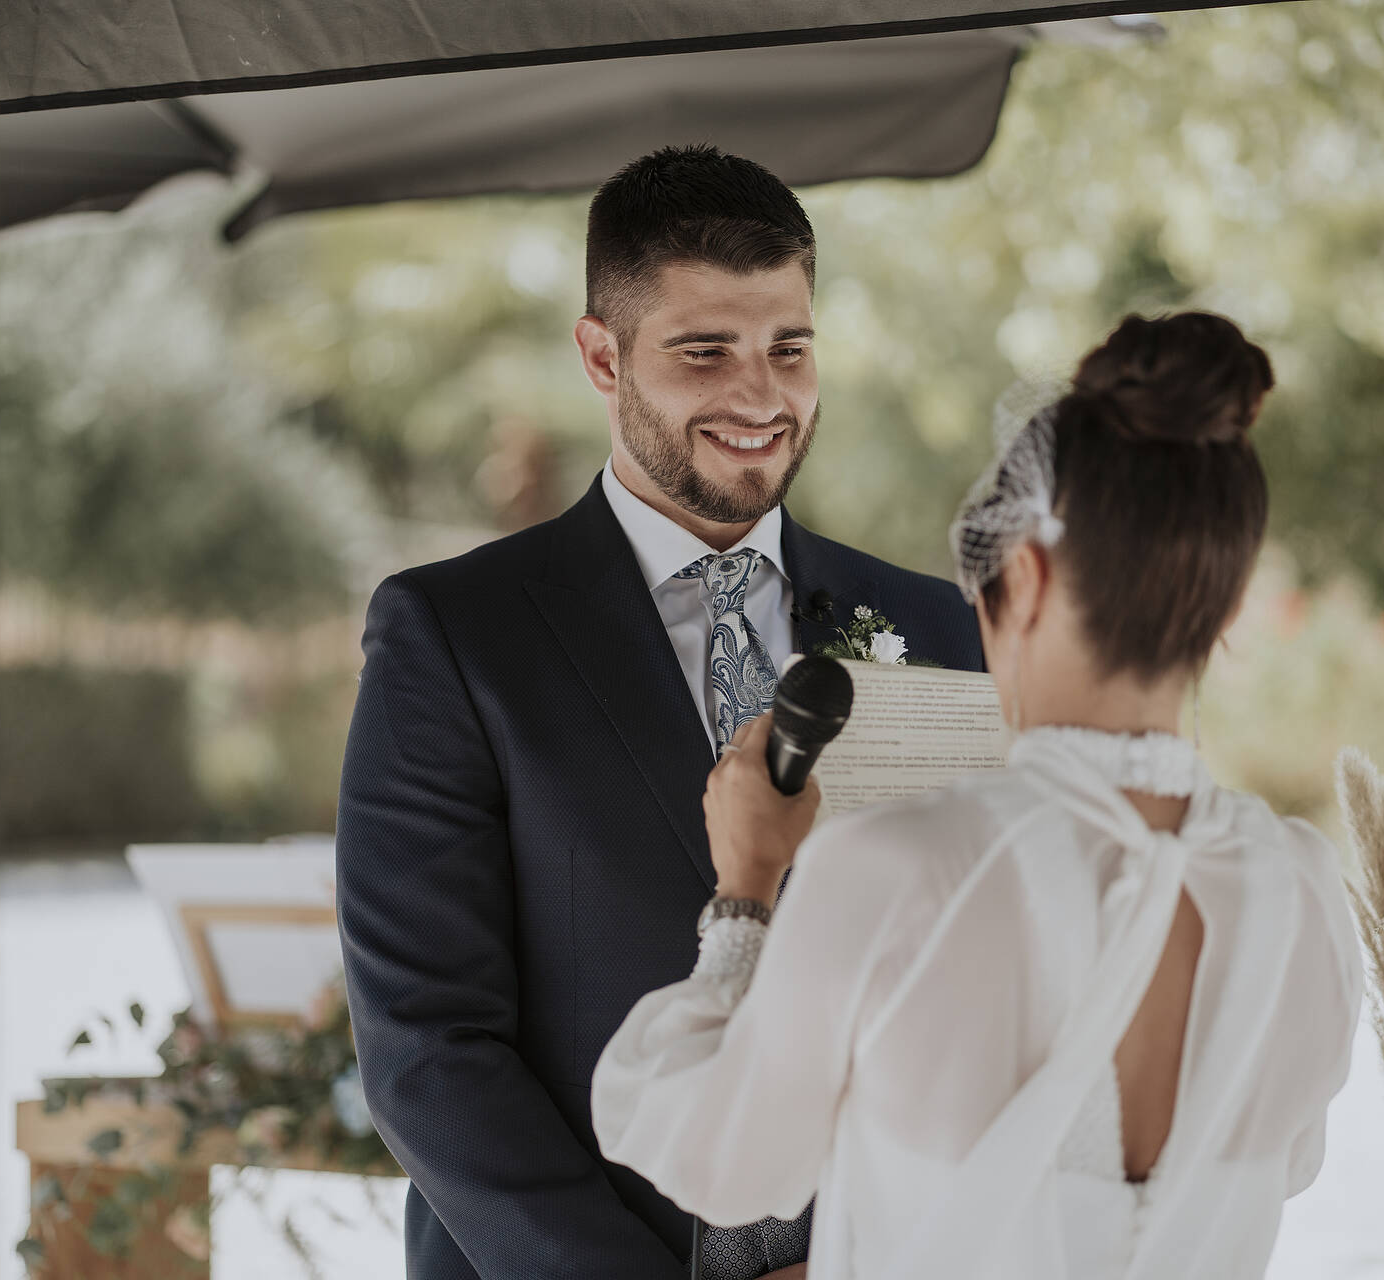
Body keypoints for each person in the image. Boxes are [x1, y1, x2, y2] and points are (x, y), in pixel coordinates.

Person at [592, 313, 1365, 1280]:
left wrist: (747, 888)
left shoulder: (901, 867)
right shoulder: (1302, 891)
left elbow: (721, 1159)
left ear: (1027, 579)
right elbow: (1284, 1167)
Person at [336, 144, 984, 1280]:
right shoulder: (455, 635)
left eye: (789, 348)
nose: (760, 395)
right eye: (705, 352)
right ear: (602, 354)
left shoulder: (941, 628)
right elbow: (428, 1049)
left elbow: (984, 987)